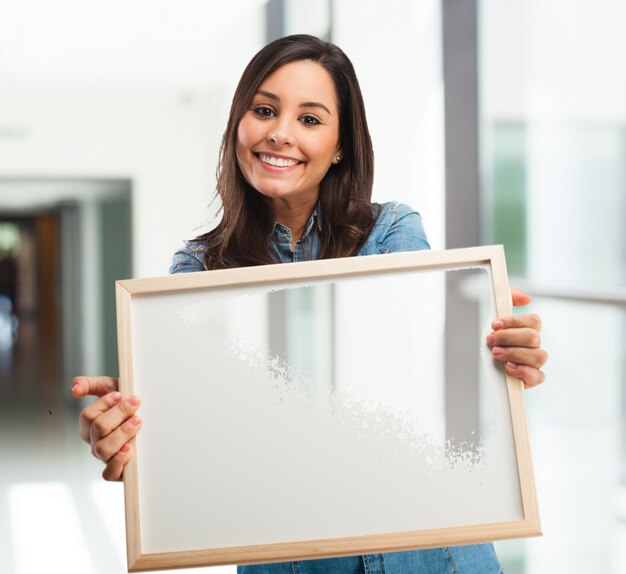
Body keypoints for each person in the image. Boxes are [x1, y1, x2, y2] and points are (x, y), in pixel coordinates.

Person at [72, 34, 548, 573]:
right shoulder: (197, 269)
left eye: (311, 119)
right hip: (294, 561)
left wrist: (496, 365)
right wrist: (138, 428)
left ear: (342, 144)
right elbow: (210, 454)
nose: (280, 133)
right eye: (265, 110)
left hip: (431, 555)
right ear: (238, 125)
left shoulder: (391, 233)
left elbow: (422, 401)